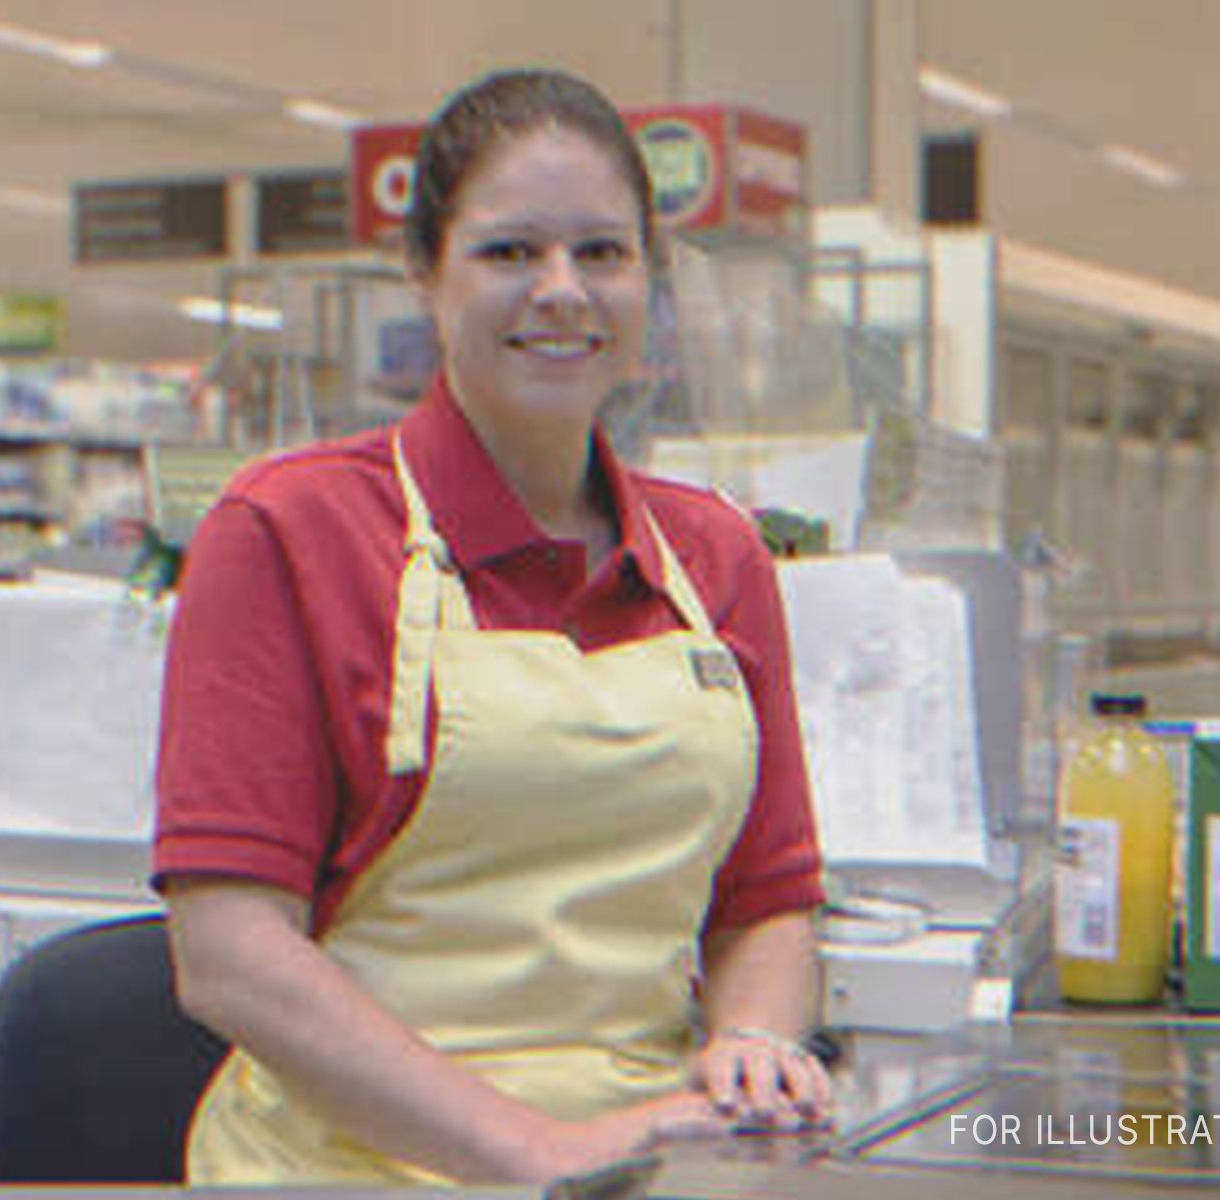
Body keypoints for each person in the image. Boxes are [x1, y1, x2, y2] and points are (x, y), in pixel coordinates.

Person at [152, 67, 829, 1186]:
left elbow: (768, 899)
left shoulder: (719, 558)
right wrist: (533, 1149)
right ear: (425, 273)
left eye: (603, 253)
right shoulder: (287, 532)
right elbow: (227, 957)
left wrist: (755, 1040)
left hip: (646, 1157)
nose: (561, 291)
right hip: (356, 1165)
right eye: (510, 252)